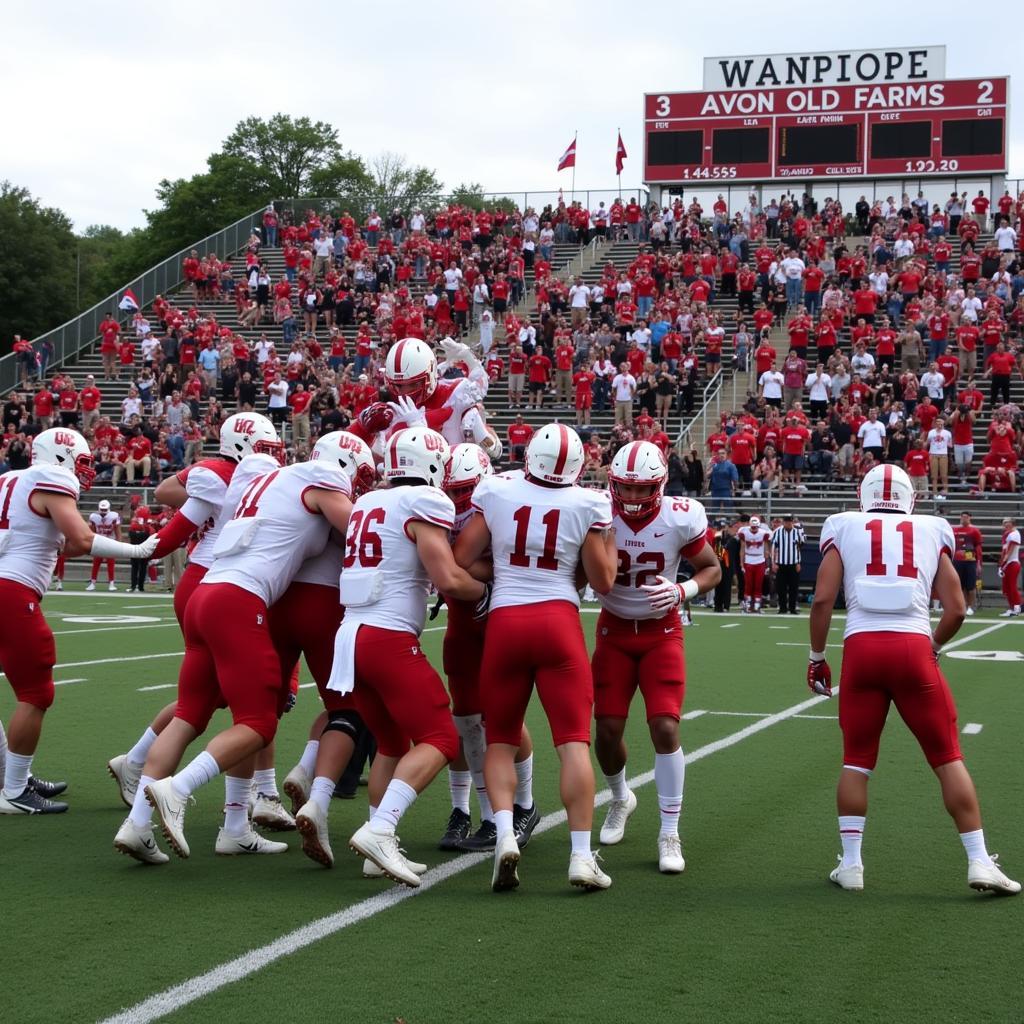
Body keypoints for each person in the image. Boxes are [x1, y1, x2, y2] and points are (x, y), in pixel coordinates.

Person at [115, 435, 354, 864]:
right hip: (239, 601)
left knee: (190, 713)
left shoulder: (260, 487)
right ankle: (179, 790)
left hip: (204, 593)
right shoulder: (318, 481)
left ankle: (140, 824)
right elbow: (357, 528)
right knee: (259, 722)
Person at [809, 463, 1020, 896]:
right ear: (912, 499)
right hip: (912, 648)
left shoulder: (844, 525)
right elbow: (957, 608)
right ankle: (979, 861)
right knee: (947, 757)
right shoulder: (931, 528)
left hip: (862, 650)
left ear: (861, 496)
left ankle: (851, 865)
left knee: (856, 760)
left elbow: (823, 600)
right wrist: (932, 647)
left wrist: (816, 657)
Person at [455, 424, 618, 892]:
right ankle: (581, 857)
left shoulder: (499, 490)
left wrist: (506, 565)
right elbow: (603, 580)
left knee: (501, 740)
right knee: (572, 743)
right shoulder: (587, 503)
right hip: (557, 622)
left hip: (506, 621)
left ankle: (505, 834)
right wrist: (601, 537)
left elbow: (463, 557)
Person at [323, 429, 488, 887]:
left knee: (392, 745)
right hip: (387, 637)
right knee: (441, 737)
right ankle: (380, 830)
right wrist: (490, 591)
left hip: (349, 636)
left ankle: (377, 853)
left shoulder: (366, 503)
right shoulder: (423, 503)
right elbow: (450, 579)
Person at [106, 414, 289, 826]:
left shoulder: (231, 475)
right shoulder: (220, 474)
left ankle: (137, 765)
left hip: (208, 582)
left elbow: (172, 497)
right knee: (243, 701)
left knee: (210, 698)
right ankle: (256, 798)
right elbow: (167, 496)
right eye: (266, 448)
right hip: (221, 582)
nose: (274, 456)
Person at [0, 429, 158, 815]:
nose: (83, 471)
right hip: (12, 590)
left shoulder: (8, 480)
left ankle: (9, 776)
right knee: (37, 691)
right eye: (82, 462)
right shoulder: (50, 478)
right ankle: (14, 791)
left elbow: (60, 543)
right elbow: (83, 540)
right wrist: (136, 549)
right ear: (61, 456)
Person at [593, 441, 720, 874]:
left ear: (660, 485)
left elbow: (713, 568)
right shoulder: (597, 509)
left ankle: (670, 830)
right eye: (624, 489)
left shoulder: (679, 516)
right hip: (613, 629)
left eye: (640, 489)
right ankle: (620, 797)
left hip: (661, 630)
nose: (630, 499)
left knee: (664, 726)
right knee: (607, 730)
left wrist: (683, 590)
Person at [435, 444, 537, 854]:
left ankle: (523, 805)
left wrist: (460, 566)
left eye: (465, 491)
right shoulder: (434, 500)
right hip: (462, 616)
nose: (459, 501)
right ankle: (467, 812)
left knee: (502, 716)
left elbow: (513, 563)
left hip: (500, 614)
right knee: (463, 717)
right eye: (453, 491)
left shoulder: (505, 497)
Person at [771, 515, 805, 614]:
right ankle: (782, 608)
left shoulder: (797, 532)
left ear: (792, 522)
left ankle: (792, 608)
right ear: (783, 522)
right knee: (781, 587)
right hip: (781, 564)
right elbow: (773, 548)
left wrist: (798, 562)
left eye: (790, 521)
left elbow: (799, 548)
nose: (788, 523)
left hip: (793, 564)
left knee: (793, 587)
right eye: (786, 521)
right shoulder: (777, 532)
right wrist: (774, 562)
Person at [87, 498, 122, 592]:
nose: (103, 512)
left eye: (104, 510)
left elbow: (118, 530)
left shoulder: (114, 516)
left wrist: (119, 544)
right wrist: (91, 543)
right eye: (101, 510)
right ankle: (93, 583)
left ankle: (111, 583)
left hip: (110, 540)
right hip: (98, 541)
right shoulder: (94, 516)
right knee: (96, 563)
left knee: (110, 563)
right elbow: (92, 531)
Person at [952, 512, 983, 617]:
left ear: (970, 518)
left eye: (966, 517)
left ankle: (971, 606)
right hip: (957, 560)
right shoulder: (954, 530)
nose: (964, 519)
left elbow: (978, 547)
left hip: (970, 560)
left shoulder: (974, 530)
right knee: (961, 585)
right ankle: (964, 605)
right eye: (962, 517)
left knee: (971, 585)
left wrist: (979, 563)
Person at [737, 515, 768, 613]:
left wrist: (766, 564)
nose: (754, 529)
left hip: (760, 560)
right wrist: (741, 563)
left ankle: (757, 606)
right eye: (752, 527)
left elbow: (766, 550)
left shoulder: (764, 533)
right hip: (749, 559)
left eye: (755, 527)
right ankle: (747, 606)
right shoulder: (744, 532)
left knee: (758, 584)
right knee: (748, 584)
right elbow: (742, 549)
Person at [998, 518, 1021, 618]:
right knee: (1007, 588)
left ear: (1012, 523)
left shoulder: (1014, 534)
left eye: (1007, 522)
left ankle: (1017, 608)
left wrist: (1002, 565)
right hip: (1007, 564)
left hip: (1012, 563)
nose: (1005, 524)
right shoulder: (1007, 534)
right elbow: (1004, 552)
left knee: (1012, 587)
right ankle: (1011, 608)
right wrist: (1001, 565)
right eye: (1004, 523)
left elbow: (1009, 552)